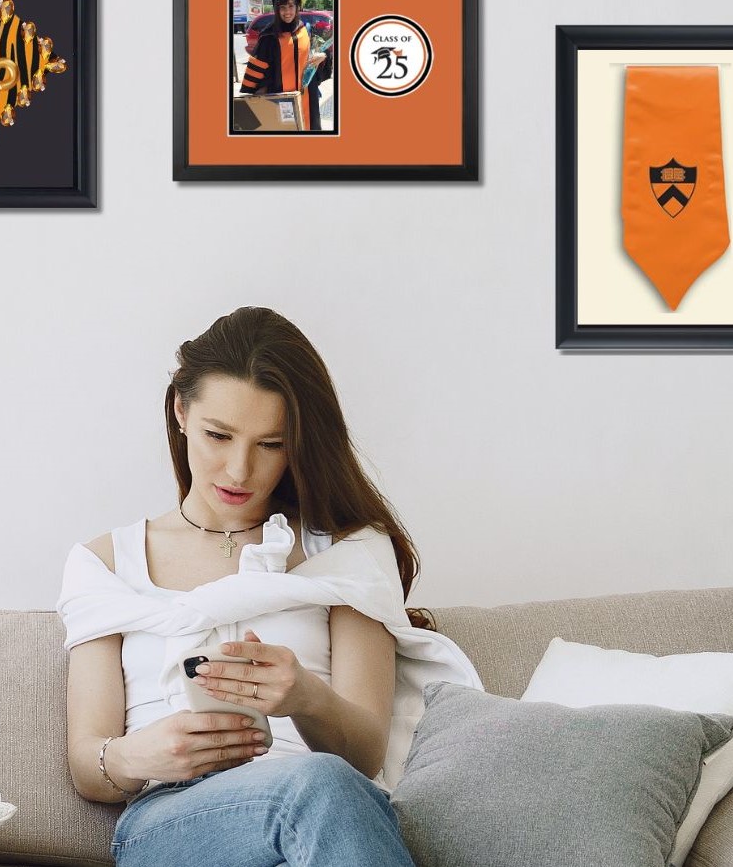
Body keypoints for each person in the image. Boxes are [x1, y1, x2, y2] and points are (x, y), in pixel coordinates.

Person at [57, 307, 479, 866]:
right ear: (181, 411)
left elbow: (366, 752)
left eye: (270, 444)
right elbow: (89, 762)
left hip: (329, 813)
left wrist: (306, 696)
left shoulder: (349, 554)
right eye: (218, 435)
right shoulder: (104, 563)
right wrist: (142, 754)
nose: (238, 470)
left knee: (320, 788)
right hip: (172, 822)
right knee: (315, 788)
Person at [240, 0, 332, 131]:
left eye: (291, 6)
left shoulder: (305, 29)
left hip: (308, 94)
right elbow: (257, 67)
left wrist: (324, 56)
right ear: (276, 10)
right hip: (281, 96)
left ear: (297, 7)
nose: (287, 11)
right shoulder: (269, 35)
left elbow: (317, 52)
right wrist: (257, 93)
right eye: (282, 7)